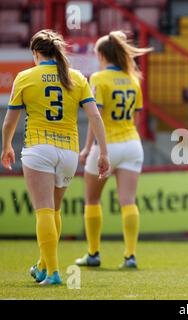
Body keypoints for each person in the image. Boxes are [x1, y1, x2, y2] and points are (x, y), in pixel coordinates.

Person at [1, 29, 109, 285]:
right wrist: (103, 151)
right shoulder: (76, 77)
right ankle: (42, 265)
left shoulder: (25, 77)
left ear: (36, 53)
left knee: (44, 212)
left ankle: (53, 272)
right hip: (69, 152)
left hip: (39, 149)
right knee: (55, 211)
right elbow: (95, 117)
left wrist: (6, 145)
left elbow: (9, 121)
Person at [74, 31, 152, 269]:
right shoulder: (133, 79)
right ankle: (130, 256)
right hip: (132, 144)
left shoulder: (98, 78)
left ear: (101, 54)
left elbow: (95, 117)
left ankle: (93, 253)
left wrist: (87, 148)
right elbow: (137, 117)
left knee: (92, 200)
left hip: (106, 146)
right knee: (128, 201)